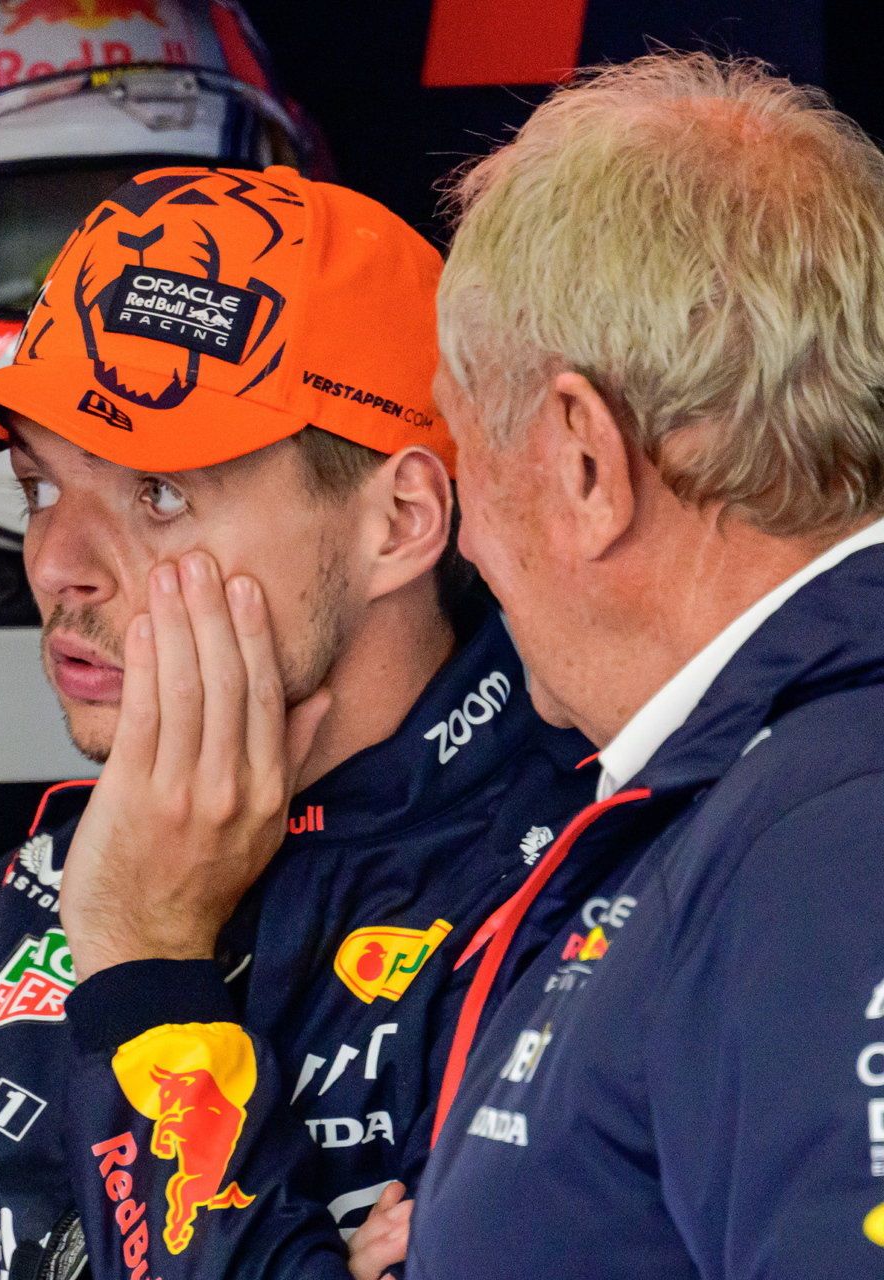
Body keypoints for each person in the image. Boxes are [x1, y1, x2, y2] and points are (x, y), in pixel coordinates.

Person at [0, 164, 598, 1280]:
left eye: (158, 492)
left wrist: (147, 962)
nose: (56, 565)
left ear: (401, 519)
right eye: (39, 488)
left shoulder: (580, 903)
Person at [400, 54, 884, 1277]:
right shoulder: (776, 788)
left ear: (584, 464)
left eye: (464, 450)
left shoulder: (834, 832)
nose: (462, 536)